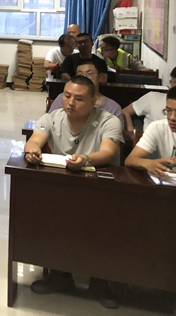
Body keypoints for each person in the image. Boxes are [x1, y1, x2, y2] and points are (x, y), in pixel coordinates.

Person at [24, 76, 123, 308]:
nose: (70, 102)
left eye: (78, 99)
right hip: (64, 187)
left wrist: (86, 159)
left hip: (100, 188)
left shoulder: (108, 121)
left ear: (93, 102)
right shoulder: (52, 117)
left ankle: (99, 280)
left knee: (103, 227)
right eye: (67, 96)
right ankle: (60, 275)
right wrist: (32, 151)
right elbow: (34, 140)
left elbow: (108, 152)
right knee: (51, 218)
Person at [48, 60, 124, 125]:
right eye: (80, 74)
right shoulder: (63, 98)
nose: (84, 77)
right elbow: (49, 124)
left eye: (89, 74)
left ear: (100, 77)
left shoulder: (113, 108)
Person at [125, 87, 176, 177]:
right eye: (168, 110)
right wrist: (148, 163)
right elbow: (130, 160)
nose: (172, 117)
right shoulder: (158, 127)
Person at [122, 66, 176, 130]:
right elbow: (126, 112)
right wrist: (132, 133)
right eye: (175, 82)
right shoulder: (152, 97)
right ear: (170, 83)